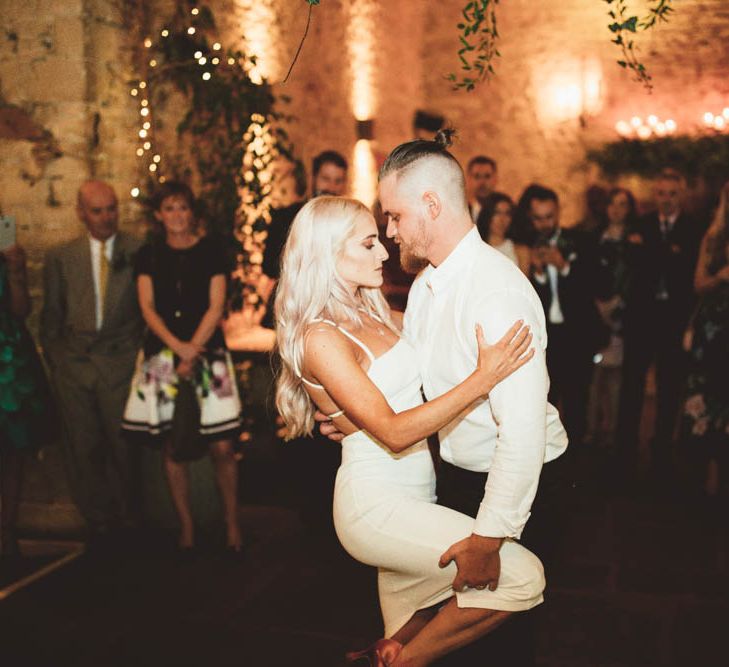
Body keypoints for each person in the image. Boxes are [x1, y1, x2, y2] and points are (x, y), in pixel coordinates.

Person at [275, 195, 545, 666]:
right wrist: (485, 377)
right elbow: (395, 432)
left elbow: (437, 349)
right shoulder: (319, 336)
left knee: (395, 639)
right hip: (375, 504)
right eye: (368, 243)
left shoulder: (374, 311)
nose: (383, 253)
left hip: (419, 493)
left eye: (381, 239)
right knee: (522, 575)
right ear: (328, 254)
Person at [121, 181, 243, 552]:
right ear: (159, 215)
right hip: (162, 357)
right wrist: (177, 350)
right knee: (172, 445)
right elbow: (147, 308)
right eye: (169, 208)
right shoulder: (149, 255)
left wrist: (193, 350)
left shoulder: (212, 251)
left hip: (210, 356)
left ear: (193, 212)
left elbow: (215, 305)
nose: (177, 215)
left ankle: (232, 525)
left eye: (183, 208)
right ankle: (186, 528)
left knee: (222, 446)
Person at [41, 180, 143, 543]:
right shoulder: (61, 257)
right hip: (74, 367)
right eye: (97, 211)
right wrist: (59, 362)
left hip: (120, 363)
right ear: (81, 213)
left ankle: (131, 515)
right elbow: (50, 316)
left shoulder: (138, 250)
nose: (106, 217)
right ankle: (99, 520)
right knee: (82, 447)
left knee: (124, 446)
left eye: (111, 208)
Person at [617, 169, 703, 475]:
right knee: (632, 385)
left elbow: (689, 272)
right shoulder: (639, 225)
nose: (666, 200)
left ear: (681, 195)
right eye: (662, 193)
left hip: (674, 319)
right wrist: (668, 253)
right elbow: (635, 266)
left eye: (672, 194)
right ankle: (624, 450)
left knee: (670, 388)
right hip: (642, 318)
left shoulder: (694, 228)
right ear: (655, 195)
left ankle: (662, 450)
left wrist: (653, 252)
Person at [527, 185, 606, 449]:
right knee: (546, 400)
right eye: (538, 218)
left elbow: (596, 285)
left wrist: (565, 266)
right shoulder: (528, 245)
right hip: (547, 338)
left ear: (558, 212)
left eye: (549, 216)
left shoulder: (581, 240)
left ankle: (577, 462)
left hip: (577, 336)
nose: (544, 223)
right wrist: (538, 274)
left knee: (577, 402)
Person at [0, 244, 54, 558]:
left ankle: (6, 531)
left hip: (7, 360)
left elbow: (21, 310)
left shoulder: (6, 255)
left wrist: (17, 272)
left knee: (10, 448)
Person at [682, 181, 729, 497]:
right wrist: (722, 276)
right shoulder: (713, 238)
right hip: (712, 330)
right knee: (705, 397)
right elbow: (698, 284)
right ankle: (701, 475)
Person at [586, 187, 636, 448]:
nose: (616, 209)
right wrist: (599, 304)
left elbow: (637, 276)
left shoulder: (635, 238)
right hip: (596, 314)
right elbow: (588, 272)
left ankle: (611, 431)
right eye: (612, 203)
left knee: (615, 375)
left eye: (622, 204)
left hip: (621, 316)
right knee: (595, 376)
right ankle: (591, 429)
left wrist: (616, 303)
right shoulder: (595, 236)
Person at [475, 192, 530, 274]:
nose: (502, 219)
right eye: (497, 213)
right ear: (487, 215)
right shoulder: (476, 249)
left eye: (507, 214)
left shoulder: (520, 251)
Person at [466, 155, 497, 223]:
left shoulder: (503, 212)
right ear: (469, 179)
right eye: (477, 176)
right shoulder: (461, 211)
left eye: (487, 176)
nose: (482, 182)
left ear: (495, 179)